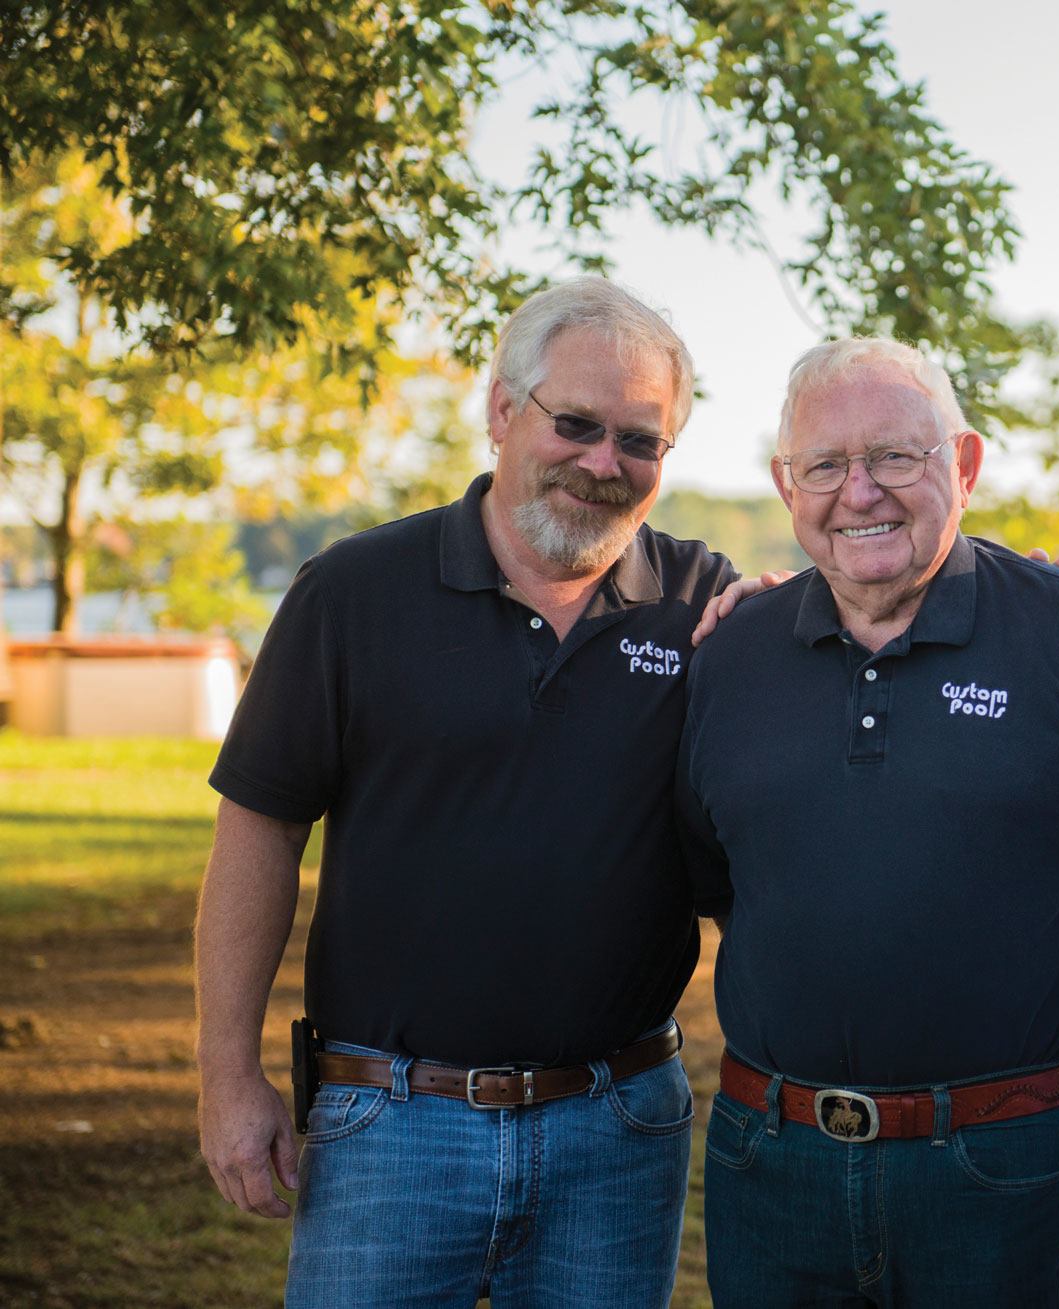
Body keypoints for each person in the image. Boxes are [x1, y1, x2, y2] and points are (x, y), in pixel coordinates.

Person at [193, 278, 734, 1307]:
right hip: (388, 1125)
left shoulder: (704, 609)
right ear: (499, 409)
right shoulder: (350, 593)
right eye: (573, 424)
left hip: (619, 1129)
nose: (601, 462)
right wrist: (228, 1074)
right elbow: (258, 829)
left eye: (638, 441)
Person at [674, 337, 1059, 1308]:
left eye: (894, 458)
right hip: (767, 1159)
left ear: (962, 464)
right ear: (787, 486)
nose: (857, 491)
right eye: (824, 465)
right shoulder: (730, 654)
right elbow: (720, 883)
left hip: (994, 1162)